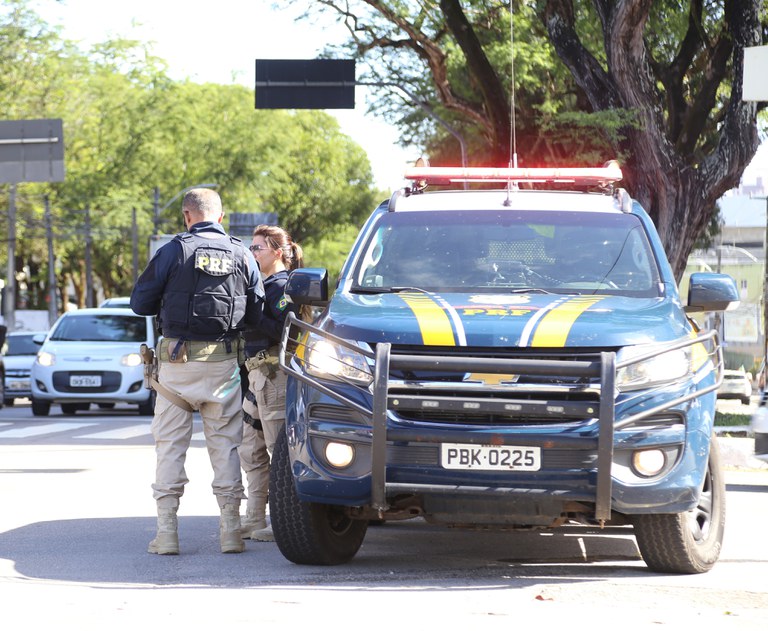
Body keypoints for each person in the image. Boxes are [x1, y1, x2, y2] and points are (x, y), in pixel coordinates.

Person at [130, 188, 264, 555]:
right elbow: (256, 312)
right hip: (223, 368)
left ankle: (168, 534)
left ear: (187, 216)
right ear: (221, 218)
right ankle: (231, 532)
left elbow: (139, 303)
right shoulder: (241, 254)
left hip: (176, 369)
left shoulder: (173, 250)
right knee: (226, 447)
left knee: (170, 447)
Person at [239, 224, 306, 541]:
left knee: (280, 452)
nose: (252, 253)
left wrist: (249, 312)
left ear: (277, 252)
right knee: (251, 449)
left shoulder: (284, 287)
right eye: (251, 248)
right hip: (257, 377)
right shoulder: (263, 285)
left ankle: (282, 522)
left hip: (274, 375)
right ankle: (254, 518)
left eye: (257, 248)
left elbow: (282, 330)